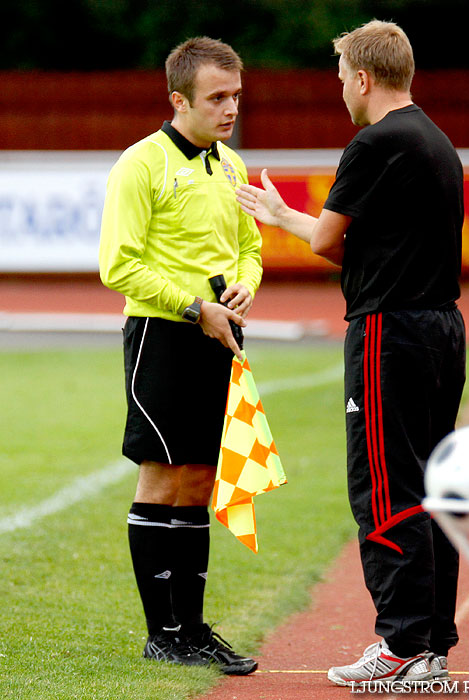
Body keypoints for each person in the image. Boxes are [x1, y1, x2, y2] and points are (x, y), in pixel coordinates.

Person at [236, 19, 465, 687]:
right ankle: (429, 647)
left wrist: (282, 219)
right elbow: (352, 245)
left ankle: (398, 644)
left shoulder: (375, 143)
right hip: (441, 330)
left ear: (363, 78)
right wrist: (284, 217)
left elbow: (326, 240)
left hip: (387, 332)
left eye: (341, 79)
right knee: (429, 485)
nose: (340, 91)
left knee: (385, 487)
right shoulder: (436, 140)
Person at [99, 36, 262, 675]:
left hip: (222, 336)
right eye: (217, 98)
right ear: (179, 100)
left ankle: (190, 630)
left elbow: (248, 246)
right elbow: (118, 264)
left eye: (236, 97)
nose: (230, 109)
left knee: (199, 478)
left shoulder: (233, 166)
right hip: (164, 338)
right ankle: (161, 631)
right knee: (162, 475)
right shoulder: (139, 165)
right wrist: (196, 307)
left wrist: (247, 279)